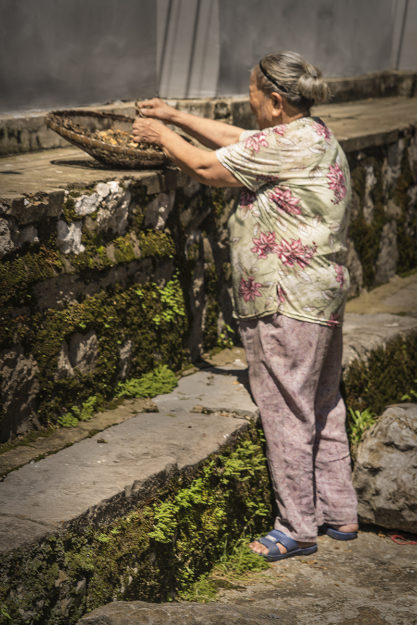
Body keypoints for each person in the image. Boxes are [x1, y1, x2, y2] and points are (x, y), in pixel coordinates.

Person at [132, 50, 358, 562]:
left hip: (285, 298)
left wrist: (162, 137)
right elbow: (239, 141)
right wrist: (175, 116)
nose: (248, 105)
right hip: (320, 294)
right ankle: (340, 512)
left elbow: (209, 168)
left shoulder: (285, 144)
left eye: (253, 96)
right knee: (323, 402)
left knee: (285, 410)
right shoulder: (313, 134)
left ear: (275, 102)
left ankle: (297, 527)